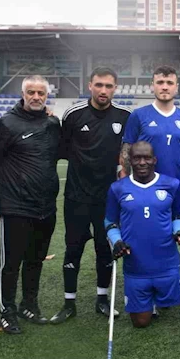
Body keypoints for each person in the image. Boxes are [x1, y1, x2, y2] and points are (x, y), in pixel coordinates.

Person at [50, 67, 132, 323]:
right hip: (76, 195)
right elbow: (61, 149)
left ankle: (102, 300)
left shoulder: (124, 116)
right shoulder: (74, 115)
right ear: (90, 86)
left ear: (115, 88)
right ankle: (69, 302)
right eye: (99, 85)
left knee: (103, 249)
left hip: (107, 198)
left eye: (109, 86)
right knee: (73, 248)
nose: (103, 90)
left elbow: (127, 155)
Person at [0, 75, 61, 334]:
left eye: (40, 93)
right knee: (11, 263)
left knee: (35, 259)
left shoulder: (53, 123)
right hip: (15, 207)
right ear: (23, 94)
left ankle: (29, 304)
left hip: (46, 206)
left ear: (46, 96)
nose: (36, 97)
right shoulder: (6, 124)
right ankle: (6, 311)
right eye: (30, 92)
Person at [105, 141, 180, 327]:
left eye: (147, 158)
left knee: (169, 304)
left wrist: (178, 231)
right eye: (137, 158)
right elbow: (109, 221)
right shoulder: (117, 188)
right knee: (141, 322)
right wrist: (117, 241)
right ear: (130, 161)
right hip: (136, 266)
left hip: (166, 262)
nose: (142, 162)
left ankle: (158, 296)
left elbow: (177, 214)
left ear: (154, 160)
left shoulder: (171, 184)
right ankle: (148, 301)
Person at [121, 66, 180, 200]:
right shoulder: (138, 116)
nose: (165, 87)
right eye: (160, 82)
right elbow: (126, 155)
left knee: (178, 222)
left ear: (176, 87)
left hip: (176, 191)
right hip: (143, 190)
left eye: (170, 83)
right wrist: (124, 187)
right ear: (152, 86)